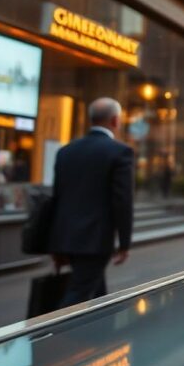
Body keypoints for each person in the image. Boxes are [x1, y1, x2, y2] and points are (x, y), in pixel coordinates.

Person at [48, 98, 133, 307]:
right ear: (115, 120)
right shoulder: (119, 152)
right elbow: (122, 201)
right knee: (78, 295)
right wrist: (124, 243)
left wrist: (55, 243)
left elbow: (57, 197)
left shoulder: (66, 151)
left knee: (96, 293)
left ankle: (99, 336)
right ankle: (50, 337)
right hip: (95, 238)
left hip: (66, 236)